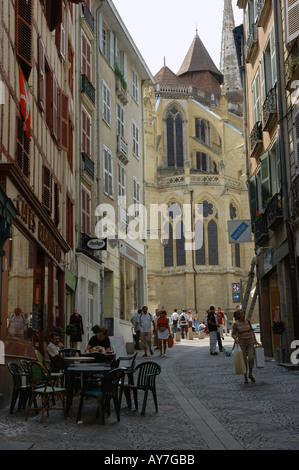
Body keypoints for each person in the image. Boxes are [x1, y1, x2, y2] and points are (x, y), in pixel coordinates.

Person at [232, 309, 259, 384]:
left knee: (251, 358)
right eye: (241, 314)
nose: (243, 315)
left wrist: (255, 340)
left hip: (250, 341)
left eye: (244, 313)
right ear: (238, 315)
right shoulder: (236, 324)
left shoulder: (248, 322)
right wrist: (235, 339)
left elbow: (252, 331)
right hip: (242, 342)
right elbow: (233, 334)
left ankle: (250, 373)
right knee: (243, 359)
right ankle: (245, 376)